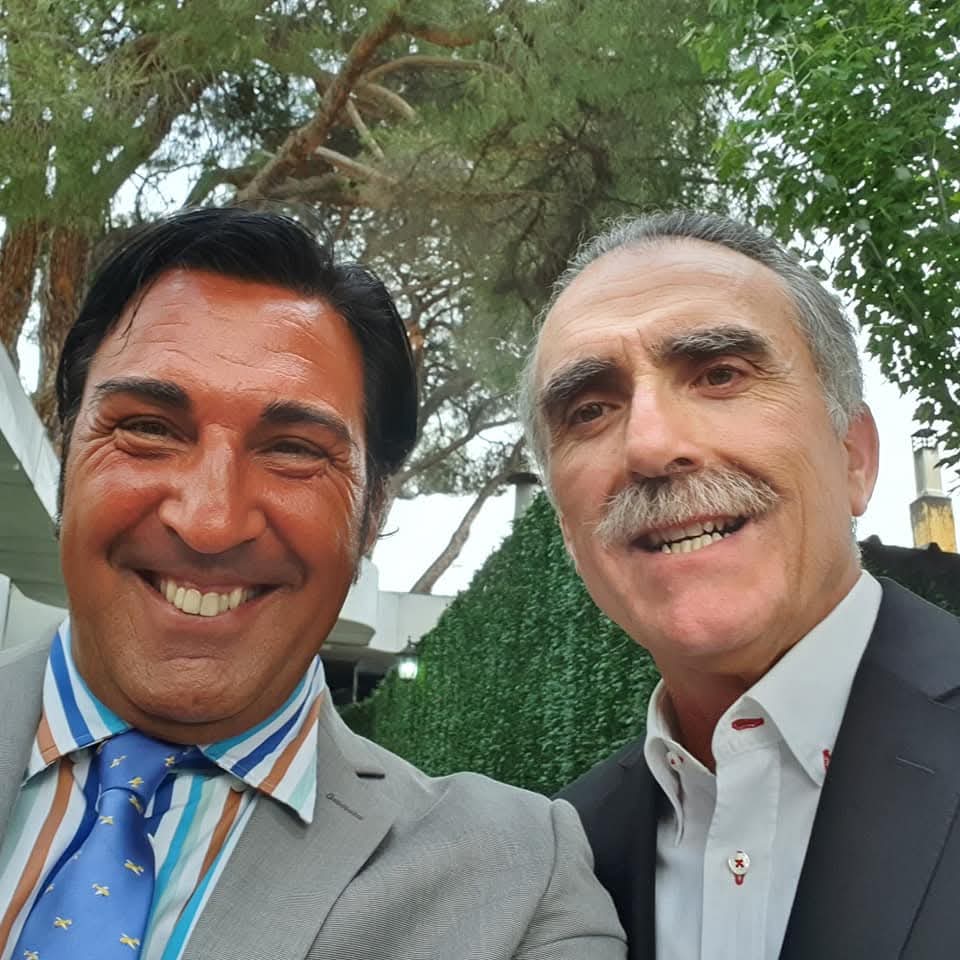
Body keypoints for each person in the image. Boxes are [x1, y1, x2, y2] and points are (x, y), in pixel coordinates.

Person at [0, 207, 626, 960]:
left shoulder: (516, 882)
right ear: (67, 449)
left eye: (293, 450)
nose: (210, 522)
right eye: (150, 429)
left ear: (373, 511)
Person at [520, 210, 960, 960]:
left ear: (853, 455)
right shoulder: (563, 858)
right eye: (590, 410)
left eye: (720, 374)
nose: (650, 445)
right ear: (568, 529)